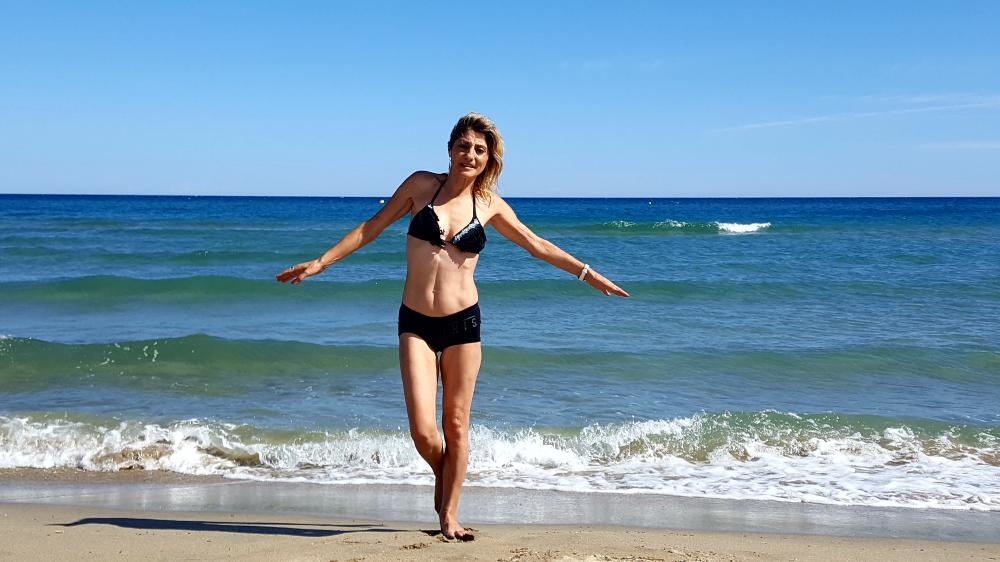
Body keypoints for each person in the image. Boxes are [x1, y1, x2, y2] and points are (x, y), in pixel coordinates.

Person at [276, 113, 629, 540]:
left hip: (464, 323)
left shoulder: (489, 204)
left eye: (480, 150)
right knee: (424, 432)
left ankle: (449, 515)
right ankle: (445, 476)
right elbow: (372, 227)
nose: (470, 155)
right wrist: (321, 262)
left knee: (457, 424)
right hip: (416, 322)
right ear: (449, 149)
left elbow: (537, 245)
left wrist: (588, 274)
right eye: (464, 146)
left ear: (489, 159)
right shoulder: (421, 186)